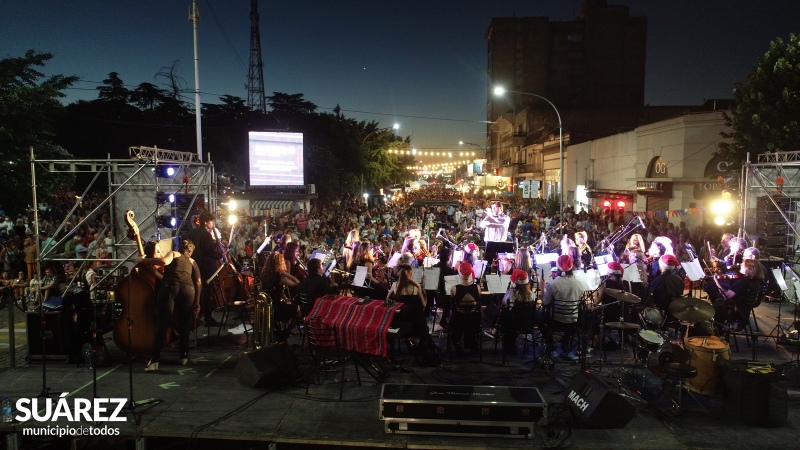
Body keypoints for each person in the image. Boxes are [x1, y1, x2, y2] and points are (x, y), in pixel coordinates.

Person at [139, 239, 202, 371]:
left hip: (170, 286)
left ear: (180, 248)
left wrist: (143, 260)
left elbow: (163, 262)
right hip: (189, 290)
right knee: (184, 323)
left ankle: (154, 360)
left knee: (164, 323)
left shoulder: (174, 254)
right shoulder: (193, 262)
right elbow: (198, 281)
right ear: (190, 251)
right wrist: (197, 300)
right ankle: (184, 356)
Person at [184, 211, 223, 326]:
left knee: (195, 293)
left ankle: (194, 318)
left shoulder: (191, 233)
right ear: (205, 222)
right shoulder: (206, 235)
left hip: (192, 266)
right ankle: (207, 318)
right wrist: (221, 254)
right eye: (211, 222)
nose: (213, 224)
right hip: (205, 268)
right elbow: (210, 252)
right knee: (206, 294)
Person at [541, 255, 584, 359]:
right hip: (573, 320)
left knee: (539, 317)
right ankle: (565, 340)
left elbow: (545, 303)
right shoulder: (579, 284)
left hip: (556, 320)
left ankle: (550, 345)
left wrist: (542, 288)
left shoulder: (553, 284)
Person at [260, 252, 301, 342]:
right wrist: (287, 274)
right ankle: (285, 333)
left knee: (289, 305)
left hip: (268, 306)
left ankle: (280, 331)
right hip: (277, 308)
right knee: (299, 310)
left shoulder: (264, 274)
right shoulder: (279, 277)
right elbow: (297, 284)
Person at [713, 259, 762, 331]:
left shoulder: (743, 282)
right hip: (745, 312)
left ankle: (718, 329)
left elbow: (726, 295)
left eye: (743, 265)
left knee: (718, 302)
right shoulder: (756, 282)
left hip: (736, 312)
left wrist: (716, 281)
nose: (740, 265)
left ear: (748, 268)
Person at [497, 269, 536, 355]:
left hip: (512, 324)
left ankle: (496, 330)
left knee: (503, 313)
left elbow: (503, 303)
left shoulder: (511, 293)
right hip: (526, 324)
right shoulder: (532, 294)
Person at [388, 264, 428, 342]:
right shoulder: (416, 286)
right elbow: (424, 305)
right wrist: (425, 295)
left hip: (399, 319)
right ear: (410, 273)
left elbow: (387, 300)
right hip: (414, 320)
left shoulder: (394, 285)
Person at [448, 262, 480, 353]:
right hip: (473, 320)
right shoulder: (477, 288)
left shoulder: (454, 288)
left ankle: (457, 341)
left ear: (459, 273)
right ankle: (471, 343)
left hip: (458, 320)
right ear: (470, 273)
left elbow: (452, 306)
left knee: (455, 316)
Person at [648, 255, 684, 319]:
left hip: (662, 313)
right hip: (676, 311)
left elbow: (651, 297)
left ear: (661, 265)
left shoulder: (657, 280)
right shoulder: (679, 279)